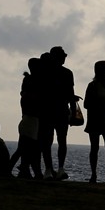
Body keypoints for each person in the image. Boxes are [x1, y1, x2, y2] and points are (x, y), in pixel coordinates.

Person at [39, 45, 77, 180]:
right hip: (54, 110)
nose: (64, 58)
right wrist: (73, 110)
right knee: (55, 141)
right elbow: (70, 94)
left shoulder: (47, 72)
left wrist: (73, 110)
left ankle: (53, 169)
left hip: (54, 110)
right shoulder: (64, 73)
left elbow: (70, 94)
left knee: (52, 141)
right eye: (62, 56)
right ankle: (53, 169)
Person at [9, 57, 45, 179]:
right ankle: (17, 169)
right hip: (31, 119)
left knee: (25, 148)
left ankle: (24, 169)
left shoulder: (28, 84)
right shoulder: (33, 84)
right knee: (25, 148)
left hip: (29, 119)